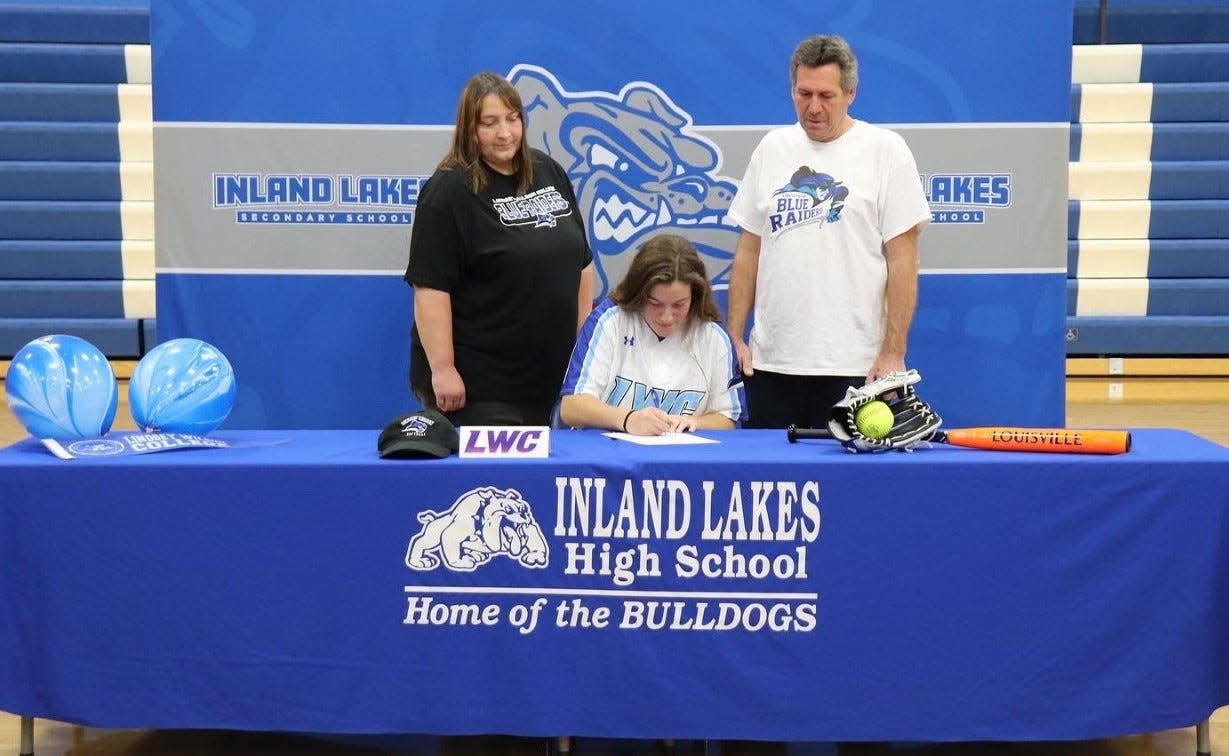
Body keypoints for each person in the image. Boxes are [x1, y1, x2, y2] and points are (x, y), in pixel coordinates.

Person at [725, 34, 931, 429]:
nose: (813, 107)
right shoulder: (772, 148)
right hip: (769, 365)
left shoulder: (886, 150)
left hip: (854, 366)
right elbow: (750, 250)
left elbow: (903, 259)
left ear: (851, 92)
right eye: (803, 94)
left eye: (826, 95)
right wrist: (733, 338)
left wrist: (893, 353)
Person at [405, 71, 594, 426]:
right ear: (469, 129)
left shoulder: (547, 170)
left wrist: (584, 350)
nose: (504, 133)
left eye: (512, 119)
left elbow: (582, 263)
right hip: (481, 385)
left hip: (548, 377)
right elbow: (430, 287)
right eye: (489, 123)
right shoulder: (448, 193)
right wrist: (443, 369)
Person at [559, 234, 741, 435]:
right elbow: (571, 408)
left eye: (679, 305)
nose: (667, 316)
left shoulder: (714, 337)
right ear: (639, 293)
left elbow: (728, 418)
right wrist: (628, 419)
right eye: (655, 304)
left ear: (696, 295)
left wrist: (694, 422)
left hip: (682, 459)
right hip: (611, 458)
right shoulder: (610, 321)